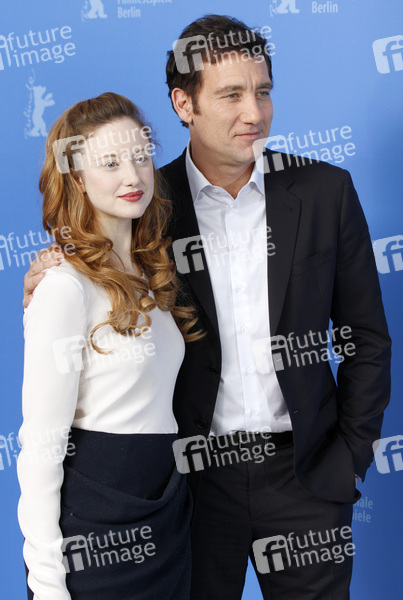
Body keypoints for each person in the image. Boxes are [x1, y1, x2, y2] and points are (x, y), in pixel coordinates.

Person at [24, 15, 392, 600]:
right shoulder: (147, 203)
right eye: (231, 95)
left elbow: (367, 339)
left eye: (263, 91)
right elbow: (95, 271)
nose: (255, 112)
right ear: (184, 103)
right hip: (190, 485)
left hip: (307, 478)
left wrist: (348, 459)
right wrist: (48, 275)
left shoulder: (325, 191)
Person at [18, 92, 202, 600]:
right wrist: (47, 584)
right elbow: (40, 447)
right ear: (77, 177)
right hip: (95, 518)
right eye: (111, 163)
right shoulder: (62, 285)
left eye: (141, 156)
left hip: (165, 509)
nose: (133, 176)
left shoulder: (154, 274)